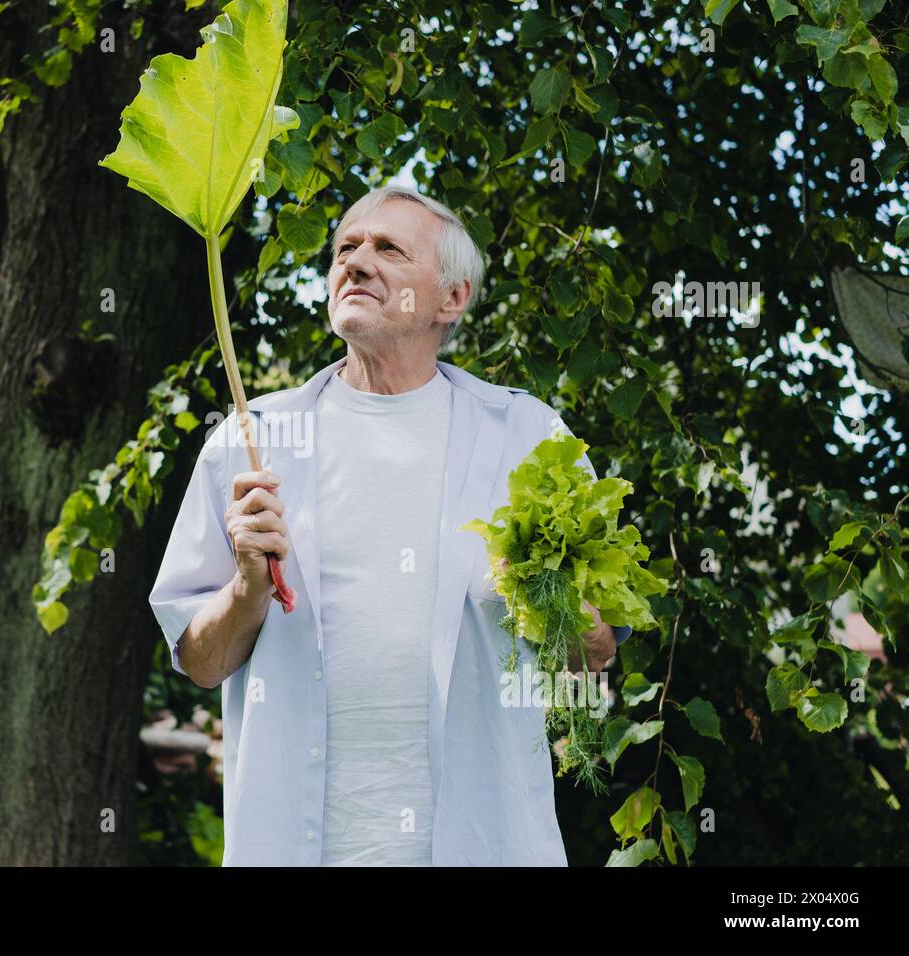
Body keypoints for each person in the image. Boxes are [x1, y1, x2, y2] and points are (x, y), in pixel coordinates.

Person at [149, 185, 631, 866]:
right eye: (345, 247)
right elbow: (201, 663)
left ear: (451, 299)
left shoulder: (529, 438)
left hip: (482, 844)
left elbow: (597, 651)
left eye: (388, 249)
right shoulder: (253, 440)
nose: (357, 261)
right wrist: (248, 588)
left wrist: (547, 598)